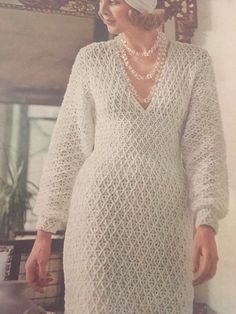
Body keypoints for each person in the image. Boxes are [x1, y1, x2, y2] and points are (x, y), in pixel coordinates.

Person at [25, 0, 229, 313]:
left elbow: (205, 147)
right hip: (98, 220)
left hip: (166, 222)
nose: (102, 9)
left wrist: (207, 223)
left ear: (140, 6)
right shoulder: (92, 59)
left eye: (114, 1)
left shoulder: (193, 62)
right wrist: (44, 233)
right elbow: (67, 146)